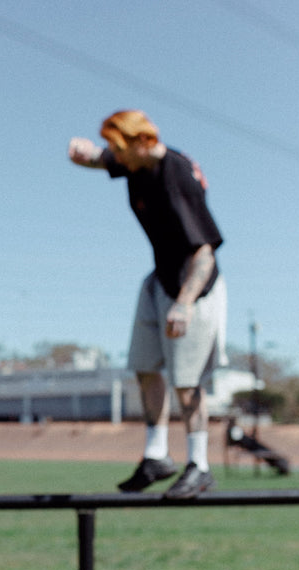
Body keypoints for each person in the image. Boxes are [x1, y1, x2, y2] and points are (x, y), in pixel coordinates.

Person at [68, 109, 226, 499]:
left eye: (118, 149)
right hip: (159, 278)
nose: (113, 156)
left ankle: (200, 466)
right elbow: (101, 159)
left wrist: (185, 304)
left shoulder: (176, 178)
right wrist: (84, 155)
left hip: (194, 285)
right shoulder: (136, 162)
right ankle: (156, 455)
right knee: (144, 366)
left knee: (186, 382)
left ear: (143, 143)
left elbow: (204, 251)